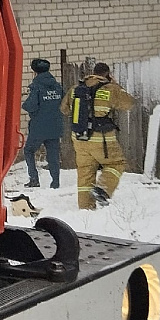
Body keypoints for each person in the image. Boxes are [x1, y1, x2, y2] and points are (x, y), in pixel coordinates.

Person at [64, 61, 136, 209]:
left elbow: (64, 109)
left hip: (79, 137)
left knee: (85, 172)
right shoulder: (110, 89)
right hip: (101, 138)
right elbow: (129, 103)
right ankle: (102, 190)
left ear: (92, 73)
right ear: (107, 74)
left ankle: (86, 209)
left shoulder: (76, 88)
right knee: (116, 163)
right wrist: (116, 85)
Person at [20, 58, 64, 188]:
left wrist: (26, 106)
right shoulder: (57, 86)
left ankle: (34, 179)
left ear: (34, 72)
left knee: (28, 150)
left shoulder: (36, 87)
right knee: (53, 155)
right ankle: (55, 182)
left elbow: (31, 105)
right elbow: (64, 102)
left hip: (39, 126)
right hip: (55, 125)